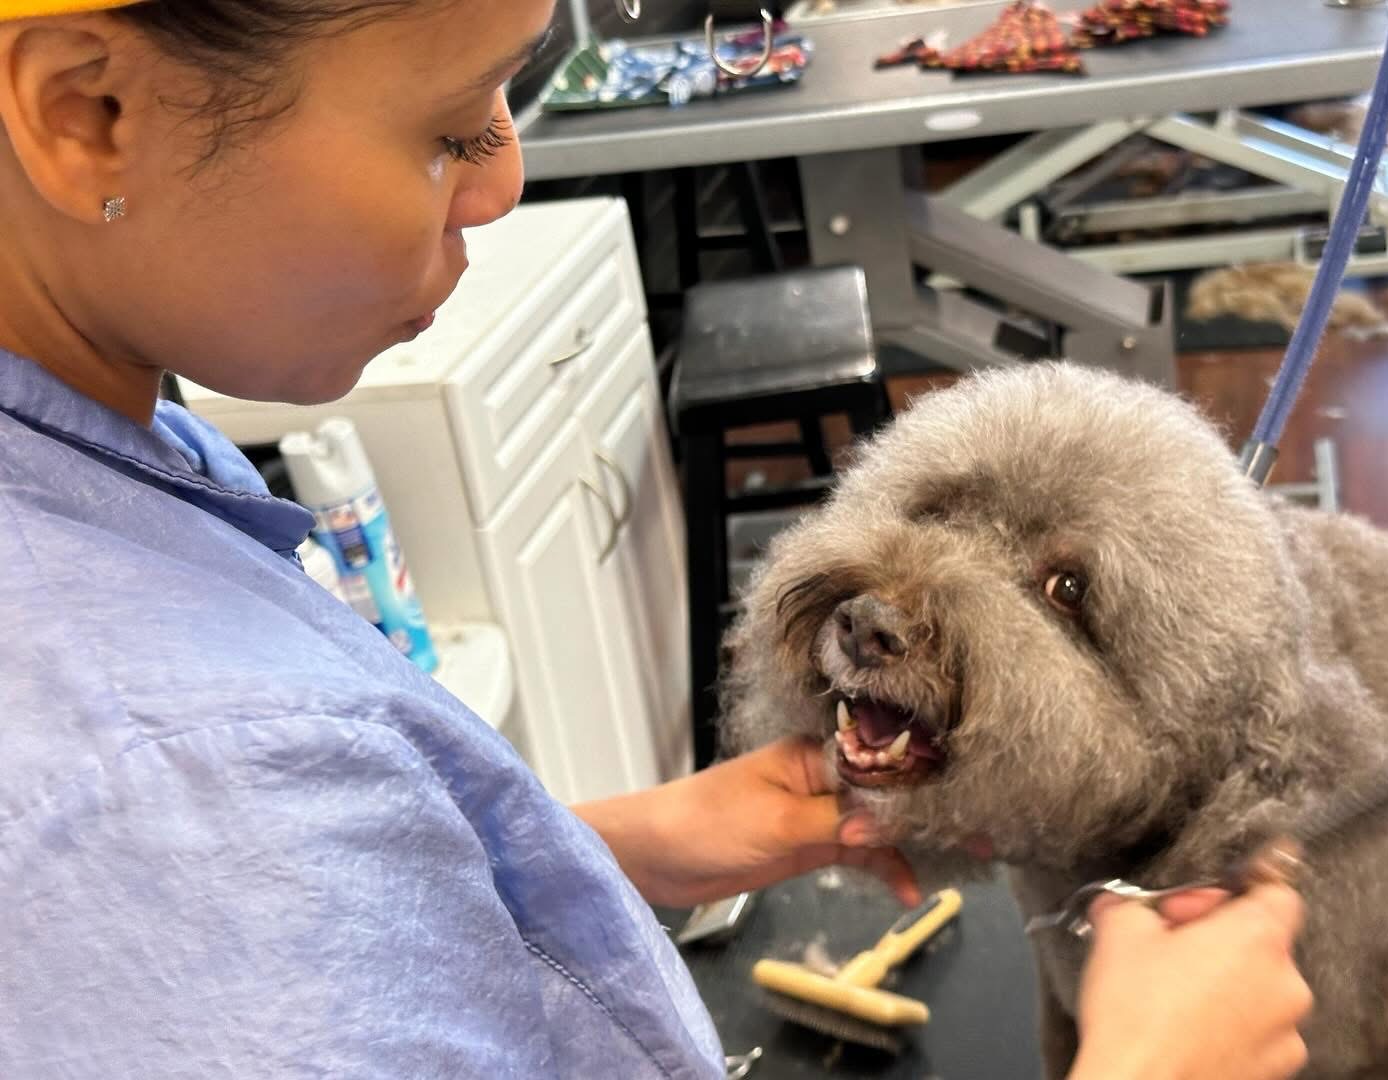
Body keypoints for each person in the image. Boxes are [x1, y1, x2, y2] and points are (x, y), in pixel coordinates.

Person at [0, 1, 1312, 1076]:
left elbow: (284, 915)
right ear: (86, 114)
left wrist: (590, 851)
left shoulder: (99, 448)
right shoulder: (151, 779)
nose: (502, 183)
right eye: (450, 128)